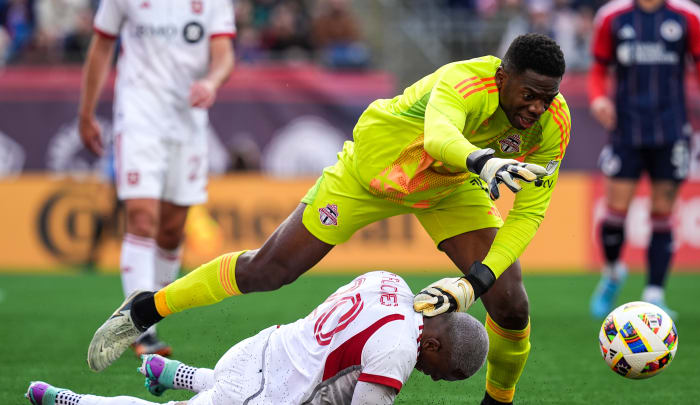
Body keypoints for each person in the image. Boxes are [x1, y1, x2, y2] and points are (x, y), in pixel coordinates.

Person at [88, 33, 570, 405]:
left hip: (448, 187)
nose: (537, 108)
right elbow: (441, 136)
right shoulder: (463, 80)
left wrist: (477, 281)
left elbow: (530, 212)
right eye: (529, 94)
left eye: (546, 98)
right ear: (502, 77)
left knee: (510, 303)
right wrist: (483, 162)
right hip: (372, 171)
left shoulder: (554, 124)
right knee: (268, 271)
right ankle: (144, 310)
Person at [27, 271, 489, 405]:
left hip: (262, 348)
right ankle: (68, 400)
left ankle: (167, 370)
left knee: (227, 384)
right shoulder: (399, 351)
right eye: (442, 373)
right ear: (432, 346)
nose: (430, 378)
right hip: (267, 394)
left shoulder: (388, 280)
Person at [77, 0, 236, 355]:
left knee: (171, 229)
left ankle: (151, 320)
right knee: (142, 217)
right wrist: (86, 111)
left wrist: (212, 81)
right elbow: (102, 45)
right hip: (138, 115)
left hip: (188, 121)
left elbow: (224, 54)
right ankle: (140, 332)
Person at [588, 0, 700, 319]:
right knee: (615, 212)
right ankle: (613, 272)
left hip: (671, 130)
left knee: (663, 211)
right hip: (626, 131)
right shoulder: (612, 17)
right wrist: (598, 99)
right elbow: (597, 69)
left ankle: (654, 294)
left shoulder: (689, 16)